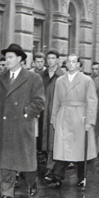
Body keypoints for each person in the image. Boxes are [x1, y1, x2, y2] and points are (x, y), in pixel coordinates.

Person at [0, 43, 45, 198]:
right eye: (6, 57)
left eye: (10, 57)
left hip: (22, 125)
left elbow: (39, 101)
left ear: (20, 59)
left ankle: (32, 183)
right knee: (5, 161)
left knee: (25, 160)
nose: (7, 60)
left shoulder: (33, 78)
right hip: (4, 126)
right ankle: (7, 194)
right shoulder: (0, 78)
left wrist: (26, 114)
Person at [46, 55, 97, 188]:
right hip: (63, 115)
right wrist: (54, 118)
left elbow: (92, 101)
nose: (71, 64)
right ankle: (57, 177)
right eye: (69, 61)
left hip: (80, 116)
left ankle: (81, 177)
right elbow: (56, 101)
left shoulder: (86, 80)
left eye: (74, 62)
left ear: (79, 64)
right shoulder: (60, 80)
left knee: (80, 149)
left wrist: (89, 121)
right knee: (62, 147)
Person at [39, 49, 64, 180]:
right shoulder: (41, 75)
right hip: (43, 111)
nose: (50, 61)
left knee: (53, 139)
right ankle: (47, 166)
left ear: (58, 60)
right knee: (44, 138)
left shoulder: (62, 75)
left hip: (55, 110)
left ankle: (51, 167)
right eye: (48, 58)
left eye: (53, 58)